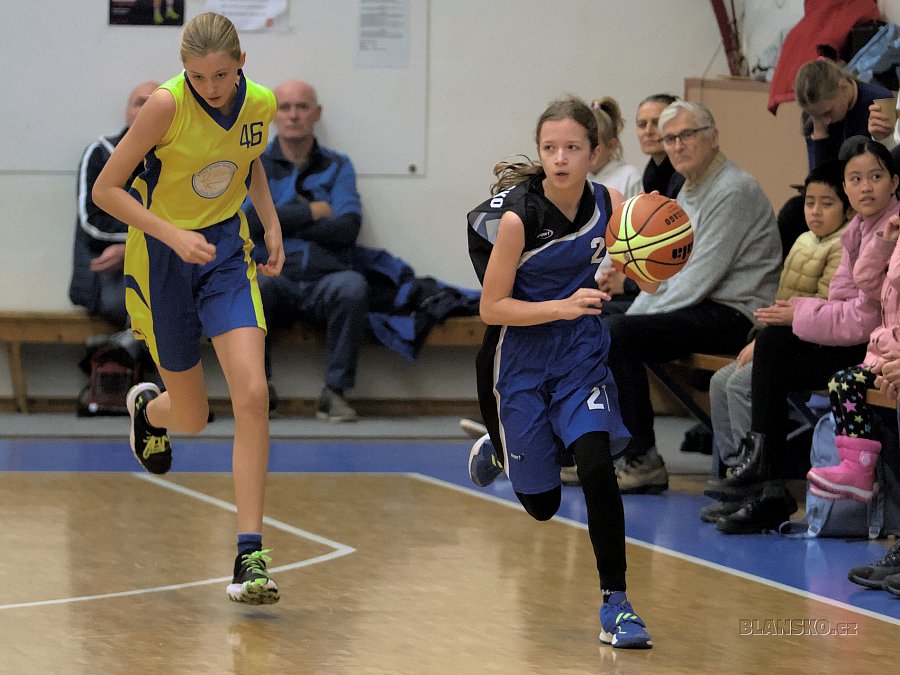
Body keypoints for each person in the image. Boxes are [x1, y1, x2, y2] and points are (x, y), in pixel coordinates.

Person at [92, 12, 285, 604]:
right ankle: (151, 414)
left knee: (253, 395)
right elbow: (107, 190)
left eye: (221, 75)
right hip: (164, 259)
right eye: (198, 77)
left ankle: (250, 554)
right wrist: (171, 235)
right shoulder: (165, 107)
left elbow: (246, 162)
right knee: (195, 417)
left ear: (242, 65)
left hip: (226, 251)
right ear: (184, 73)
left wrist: (270, 220)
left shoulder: (260, 104)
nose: (211, 87)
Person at [466, 96, 655, 649]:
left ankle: (616, 604)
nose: (560, 157)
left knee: (598, 468)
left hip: (579, 356)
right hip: (519, 358)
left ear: (595, 152)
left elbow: (642, 273)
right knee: (543, 507)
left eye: (572, 147)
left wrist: (647, 264)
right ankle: (501, 447)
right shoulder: (517, 220)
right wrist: (562, 305)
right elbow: (490, 308)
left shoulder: (612, 201)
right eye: (550, 147)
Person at [708, 136, 891, 533]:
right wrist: (793, 315)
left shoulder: (887, 229)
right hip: (861, 346)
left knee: (771, 351)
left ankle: (765, 478)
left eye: (875, 176)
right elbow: (845, 307)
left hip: (873, 351)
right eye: (855, 179)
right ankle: (766, 481)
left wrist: (798, 313)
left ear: (894, 182)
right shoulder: (857, 229)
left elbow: (861, 318)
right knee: (768, 352)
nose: (865, 187)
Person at [602, 100, 782, 494]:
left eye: (687, 135)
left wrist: (634, 315)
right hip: (702, 304)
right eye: (670, 139)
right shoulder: (690, 187)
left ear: (713, 137)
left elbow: (697, 278)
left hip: (736, 314)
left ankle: (641, 458)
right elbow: (666, 273)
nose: (678, 145)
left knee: (617, 332)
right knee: (590, 317)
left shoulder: (733, 189)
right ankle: (592, 447)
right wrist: (635, 308)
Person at [703, 160, 851, 523]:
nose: (815, 211)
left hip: (818, 346)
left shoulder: (844, 243)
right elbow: (779, 304)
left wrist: (771, 339)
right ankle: (739, 475)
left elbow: (825, 309)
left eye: (826, 203)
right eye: (809, 202)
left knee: (740, 385)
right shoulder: (802, 241)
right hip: (784, 339)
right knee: (720, 381)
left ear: (846, 208)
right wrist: (761, 338)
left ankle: (765, 485)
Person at [242, 80, 367, 422]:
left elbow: (347, 229)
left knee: (353, 286)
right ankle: (259, 391)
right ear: (272, 115)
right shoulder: (254, 164)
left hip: (324, 277)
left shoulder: (338, 165)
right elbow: (248, 223)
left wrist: (276, 220)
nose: (293, 115)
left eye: (302, 107)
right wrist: (314, 210)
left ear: (317, 113)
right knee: (253, 286)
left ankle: (335, 393)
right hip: (272, 274)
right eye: (285, 107)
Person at [70, 81, 160, 328]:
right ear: (127, 112)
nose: (147, 110)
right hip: (108, 271)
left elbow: (187, 224)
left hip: (158, 264)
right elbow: (91, 222)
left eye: (155, 104)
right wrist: (135, 243)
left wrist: (133, 246)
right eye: (140, 102)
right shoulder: (100, 153)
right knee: (140, 305)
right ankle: (125, 356)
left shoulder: (176, 161)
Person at [793, 58, 895, 171]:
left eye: (828, 112)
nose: (825, 121)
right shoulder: (815, 118)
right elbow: (817, 183)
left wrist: (882, 140)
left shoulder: (878, 101)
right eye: (816, 116)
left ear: (843, 87)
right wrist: (820, 135)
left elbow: (891, 167)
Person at [589, 97, 642, 199]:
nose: (587, 151)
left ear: (611, 146)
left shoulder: (629, 177)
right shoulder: (579, 177)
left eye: (594, 145)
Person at [635, 93, 685, 199]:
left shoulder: (686, 172)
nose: (648, 131)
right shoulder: (650, 174)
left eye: (657, 123)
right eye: (642, 125)